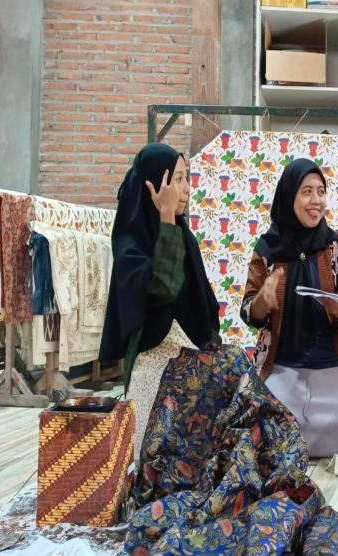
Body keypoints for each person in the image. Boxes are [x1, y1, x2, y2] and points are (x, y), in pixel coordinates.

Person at [240, 158, 338, 458]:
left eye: (321, 192)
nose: (316, 201)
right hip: (283, 367)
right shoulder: (266, 251)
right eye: (307, 192)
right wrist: (263, 300)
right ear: (289, 197)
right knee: (266, 434)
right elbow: (250, 312)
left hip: (332, 365)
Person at [100, 143, 221, 459]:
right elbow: (163, 289)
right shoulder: (130, 243)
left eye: (186, 178)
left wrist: (212, 359)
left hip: (191, 361)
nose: (187, 188)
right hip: (152, 366)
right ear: (154, 186)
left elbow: (207, 311)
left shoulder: (183, 236)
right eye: (178, 179)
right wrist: (166, 216)